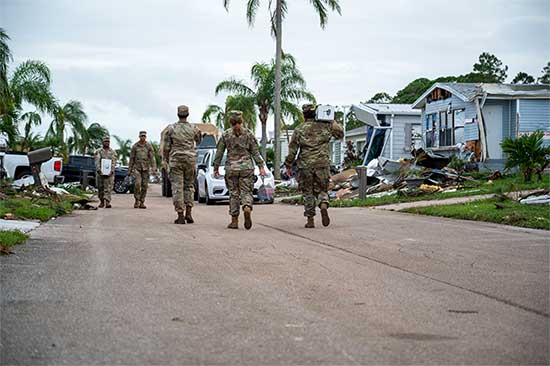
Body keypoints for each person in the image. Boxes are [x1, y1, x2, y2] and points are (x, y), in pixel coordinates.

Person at [284, 104, 344, 228]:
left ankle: (310, 220)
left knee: (308, 192)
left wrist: (288, 163)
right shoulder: (326, 127)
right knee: (322, 189)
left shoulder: (299, 129)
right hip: (322, 164)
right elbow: (340, 134)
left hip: (305, 165)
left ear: (303, 115)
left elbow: (292, 150)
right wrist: (331, 119)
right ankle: (323, 203)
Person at [213, 110, 266, 230]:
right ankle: (247, 206)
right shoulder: (248, 134)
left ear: (230, 121)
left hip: (231, 168)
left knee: (234, 194)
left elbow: (219, 153)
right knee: (246, 192)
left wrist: (216, 167)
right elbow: (255, 152)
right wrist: (261, 166)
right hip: (247, 167)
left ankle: (234, 221)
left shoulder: (226, 135)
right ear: (241, 121)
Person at [163, 105, 202, 224]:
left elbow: (166, 148)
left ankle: (180, 215)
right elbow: (199, 140)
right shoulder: (193, 128)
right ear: (188, 114)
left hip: (176, 160)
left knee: (177, 187)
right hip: (190, 159)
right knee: (189, 186)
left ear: (178, 114)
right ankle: (189, 213)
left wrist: (166, 159)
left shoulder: (171, 128)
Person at [128, 131, 157, 209]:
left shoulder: (148, 146)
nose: (142, 137)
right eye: (141, 136)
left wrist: (154, 168)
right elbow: (131, 158)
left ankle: (142, 202)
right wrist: (129, 169)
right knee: (137, 184)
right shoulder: (135, 146)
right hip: (137, 168)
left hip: (146, 168)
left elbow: (152, 157)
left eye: (144, 136)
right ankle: (136, 200)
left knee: (144, 186)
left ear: (146, 137)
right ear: (139, 137)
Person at [94, 136, 118, 208]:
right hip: (100, 173)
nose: (107, 143)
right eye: (105, 141)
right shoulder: (98, 151)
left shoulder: (112, 152)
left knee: (108, 187)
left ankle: (107, 202)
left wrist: (112, 171)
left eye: (108, 142)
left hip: (110, 173)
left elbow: (114, 162)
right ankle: (101, 201)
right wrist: (99, 170)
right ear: (102, 142)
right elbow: (97, 161)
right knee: (100, 187)